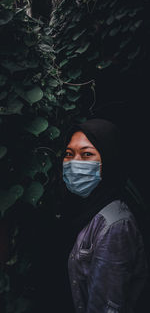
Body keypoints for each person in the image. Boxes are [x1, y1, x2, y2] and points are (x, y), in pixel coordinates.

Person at [61, 118, 148, 313]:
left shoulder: (115, 226)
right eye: (68, 154)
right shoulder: (80, 207)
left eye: (87, 154)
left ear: (109, 159)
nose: (74, 163)